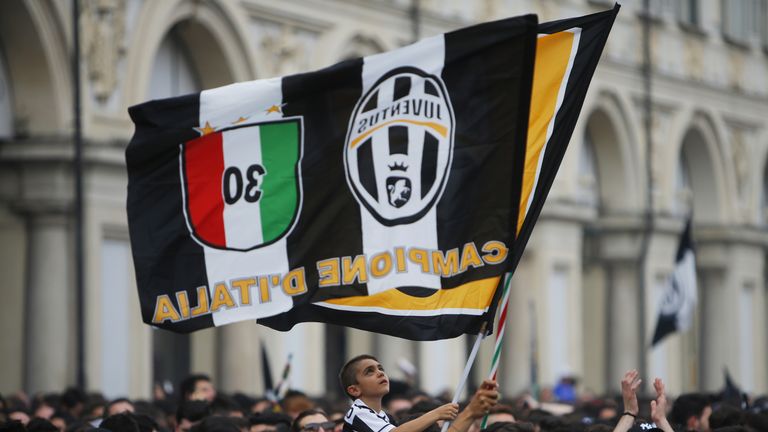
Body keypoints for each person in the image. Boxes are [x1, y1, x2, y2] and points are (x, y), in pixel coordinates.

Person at [338, 355, 499, 432]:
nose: (380, 373)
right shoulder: (357, 414)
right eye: (369, 372)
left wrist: (471, 412)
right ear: (354, 390)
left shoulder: (387, 418)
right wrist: (435, 414)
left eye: (381, 368)